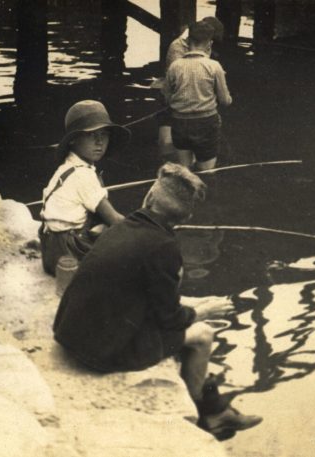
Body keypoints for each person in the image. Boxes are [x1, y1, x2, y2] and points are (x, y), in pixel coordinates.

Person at [52, 162, 262, 439]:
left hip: (69, 332)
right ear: (184, 218)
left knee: (188, 320)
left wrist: (193, 305)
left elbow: (141, 292)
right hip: (99, 353)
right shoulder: (164, 248)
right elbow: (169, 320)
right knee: (203, 335)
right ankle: (211, 413)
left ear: (148, 197)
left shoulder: (121, 226)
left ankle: (212, 408)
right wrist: (204, 311)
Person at [39, 100, 130, 276]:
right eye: (91, 135)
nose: (99, 142)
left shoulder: (67, 167)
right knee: (122, 237)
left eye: (104, 134)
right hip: (65, 253)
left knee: (100, 223)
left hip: (50, 248)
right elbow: (115, 219)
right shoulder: (83, 175)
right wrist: (145, 232)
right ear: (73, 140)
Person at [162, 20, 232, 170]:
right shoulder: (214, 66)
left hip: (179, 122)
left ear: (188, 41)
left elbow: (167, 96)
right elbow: (225, 101)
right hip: (205, 123)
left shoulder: (175, 66)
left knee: (185, 172)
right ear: (209, 44)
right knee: (207, 172)